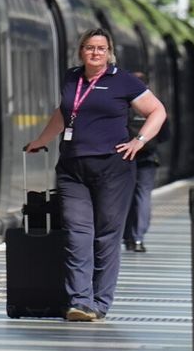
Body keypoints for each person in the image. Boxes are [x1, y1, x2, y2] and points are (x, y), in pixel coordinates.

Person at [24, 29, 167, 321]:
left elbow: (157, 111)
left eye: (101, 48)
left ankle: (100, 302)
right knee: (77, 234)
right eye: (90, 48)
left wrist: (138, 142)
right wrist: (41, 140)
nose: (95, 53)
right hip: (72, 168)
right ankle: (79, 301)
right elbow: (65, 114)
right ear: (81, 51)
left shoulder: (123, 80)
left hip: (113, 169)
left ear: (109, 51)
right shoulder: (71, 78)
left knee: (105, 237)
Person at [121, 69, 166, 254]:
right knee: (143, 196)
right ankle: (138, 238)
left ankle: (125, 235)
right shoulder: (154, 106)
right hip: (148, 158)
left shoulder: (121, 105)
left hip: (123, 156)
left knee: (122, 196)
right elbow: (164, 135)